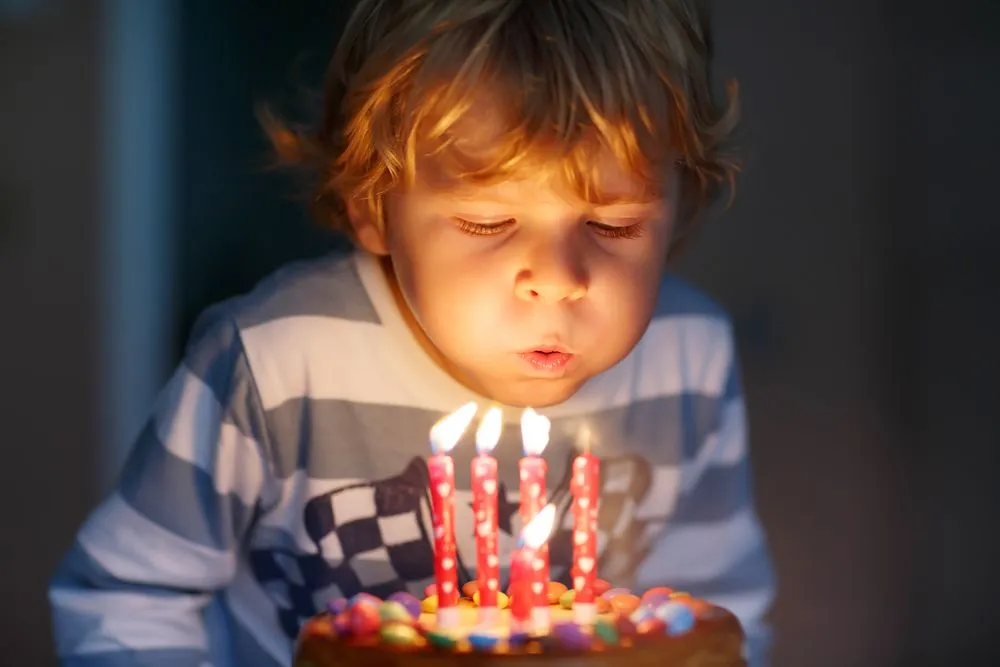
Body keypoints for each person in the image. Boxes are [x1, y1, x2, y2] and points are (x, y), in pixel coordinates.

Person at [50, 1, 775, 665]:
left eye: (614, 225)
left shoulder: (690, 356)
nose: (558, 277)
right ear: (375, 207)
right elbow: (127, 601)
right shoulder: (275, 365)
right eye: (488, 222)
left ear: (680, 204)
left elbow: (713, 608)